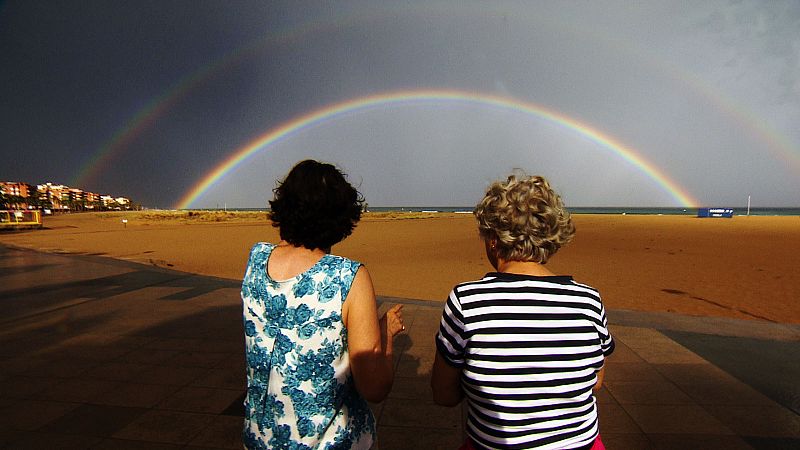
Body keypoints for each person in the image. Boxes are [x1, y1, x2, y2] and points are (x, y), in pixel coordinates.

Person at [431, 172, 614, 450]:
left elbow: (444, 393)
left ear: (493, 239)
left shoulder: (466, 301)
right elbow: (595, 381)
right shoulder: (589, 300)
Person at [241, 159, 404, 449]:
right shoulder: (347, 277)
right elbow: (374, 386)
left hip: (261, 439)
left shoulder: (256, 259)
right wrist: (386, 335)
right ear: (343, 217)